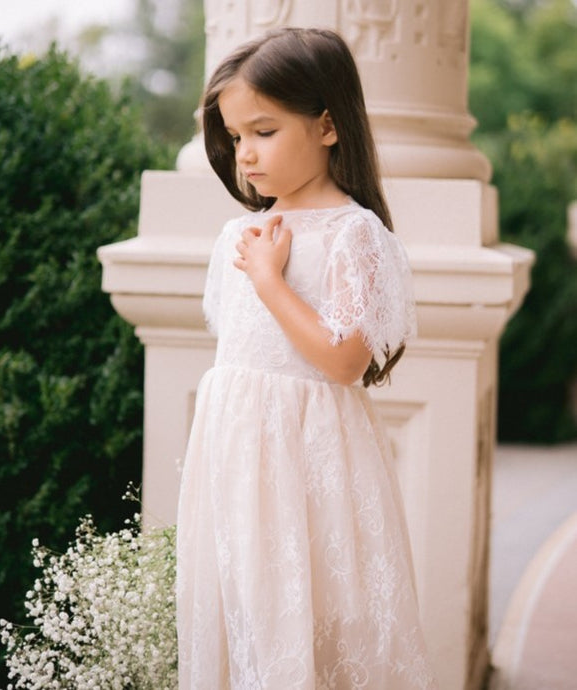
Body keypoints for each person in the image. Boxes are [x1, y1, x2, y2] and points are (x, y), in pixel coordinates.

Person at [176, 27, 438, 689]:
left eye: (264, 131)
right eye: (236, 137)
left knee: (319, 620)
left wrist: (271, 280)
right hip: (238, 462)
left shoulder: (354, 234)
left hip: (311, 462)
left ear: (326, 125)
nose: (246, 154)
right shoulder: (240, 233)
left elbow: (344, 361)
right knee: (247, 621)